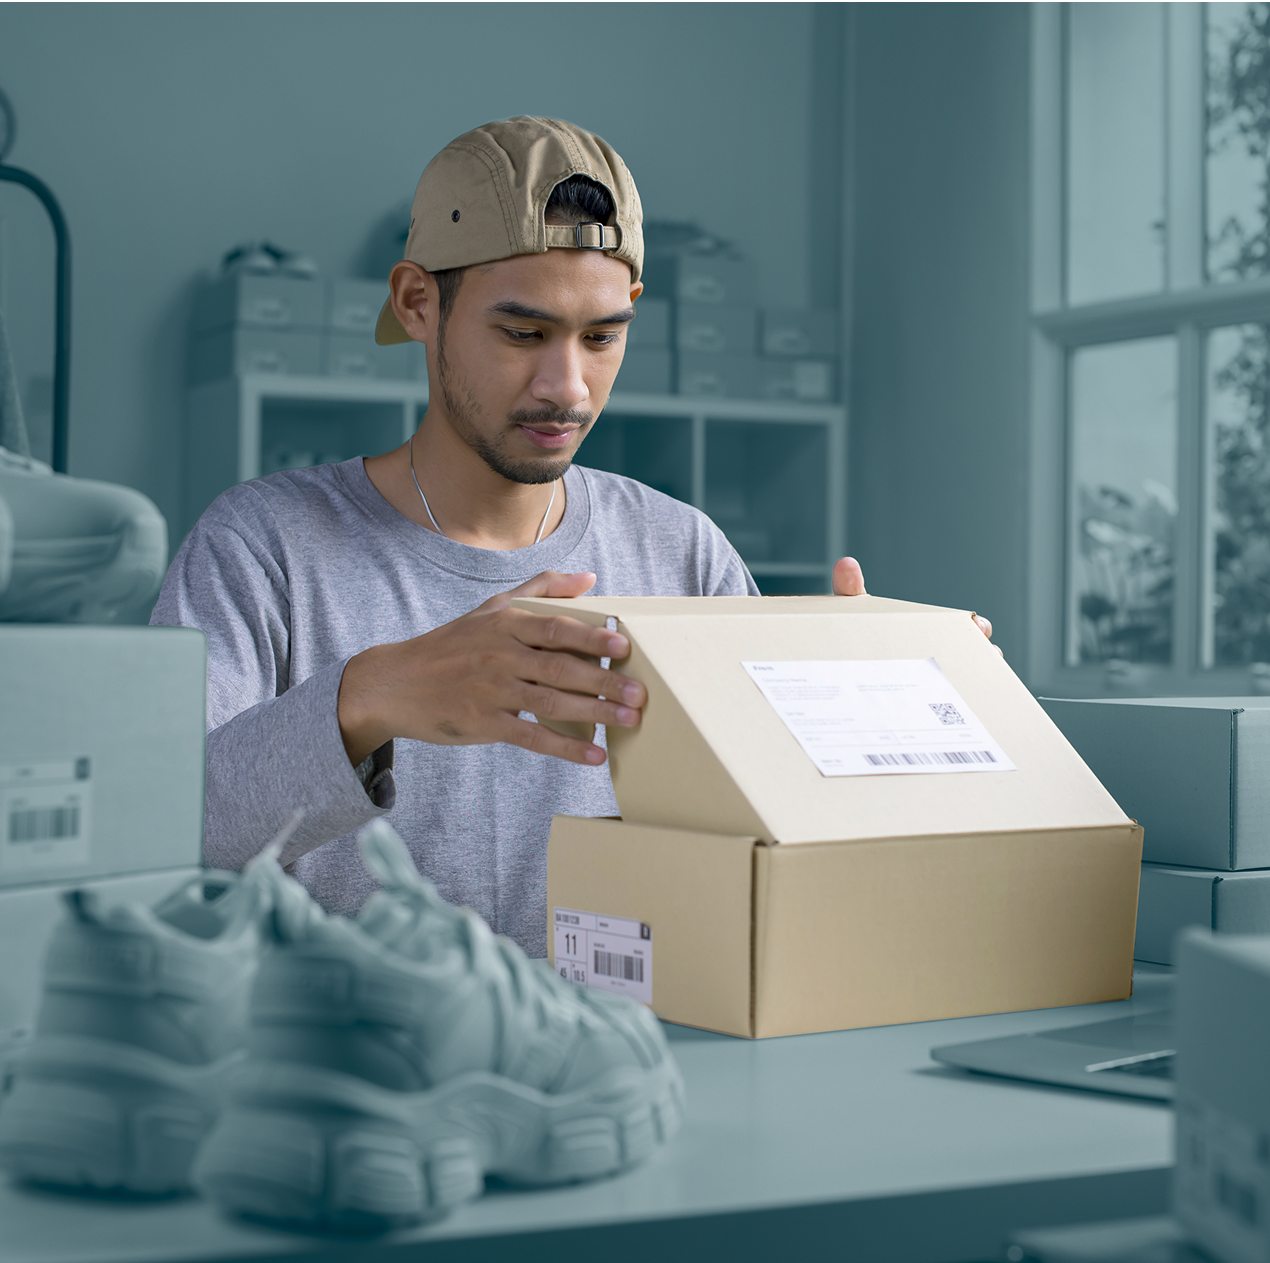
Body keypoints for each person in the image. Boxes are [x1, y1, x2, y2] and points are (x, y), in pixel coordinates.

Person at [153, 116, 989, 957]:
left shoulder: (683, 553)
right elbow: (157, 831)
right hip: (355, 1066)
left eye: (602, 337)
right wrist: (373, 695)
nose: (568, 388)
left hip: (619, 1061)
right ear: (417, 302)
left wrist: (886, 714)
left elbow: (774, 851)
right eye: (522, 333)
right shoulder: (261, 546)